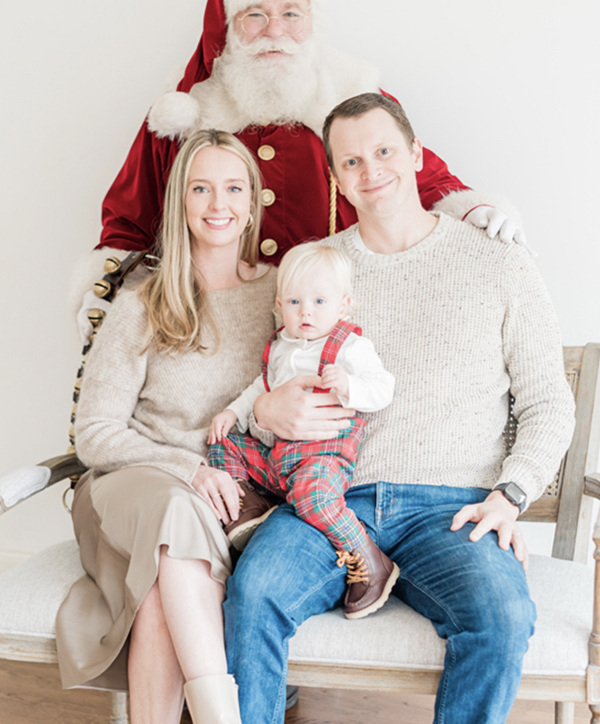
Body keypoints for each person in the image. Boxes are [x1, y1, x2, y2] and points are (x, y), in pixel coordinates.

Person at [222, 93, 576, 724]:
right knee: (254, 593)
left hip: (454, 510)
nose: (371, 170)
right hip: (332, 499)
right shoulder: (318, 269)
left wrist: (511, 495)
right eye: (351, 161)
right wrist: (265, 412)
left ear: (415, 154)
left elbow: (549, 402)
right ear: (336, 176)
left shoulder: (497, 260)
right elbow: (269, 376)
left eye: (384, 151)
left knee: (502, 615)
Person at [75, 0, 523, 342]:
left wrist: (474, 210)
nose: (275, 31)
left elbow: (413, 179)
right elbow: (131, 223)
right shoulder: (185, 114)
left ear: (313, 22)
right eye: (255, 15)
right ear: (228, 26)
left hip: (337, 328)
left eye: (291, 14)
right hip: (217, 331)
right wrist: (111, 289)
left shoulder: (353, 96)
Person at [56, 129, 279, 724]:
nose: (218, 204)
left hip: (227, 500)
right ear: (180, 200)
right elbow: (95, 433)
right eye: (200, 189)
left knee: (160, 587)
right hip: (127, 488)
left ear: (253, 202)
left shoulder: (282, 295)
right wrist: (189, 468)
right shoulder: (143, 300)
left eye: (233, 188)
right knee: (175, 511)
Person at [207, 242, 398, 619]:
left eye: (319, 302)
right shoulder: (281, 345)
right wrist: (232, 412)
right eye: (294, 302)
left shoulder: (350, 347)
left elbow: (383, 388)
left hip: (322, 460)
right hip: (279, 462)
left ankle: (368, 558)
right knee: (221, 441)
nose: (305, 311)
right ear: (280, 305)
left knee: (314, 498)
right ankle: (251, 506)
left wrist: (349, 385)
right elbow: (260, 387)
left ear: (343, 305)